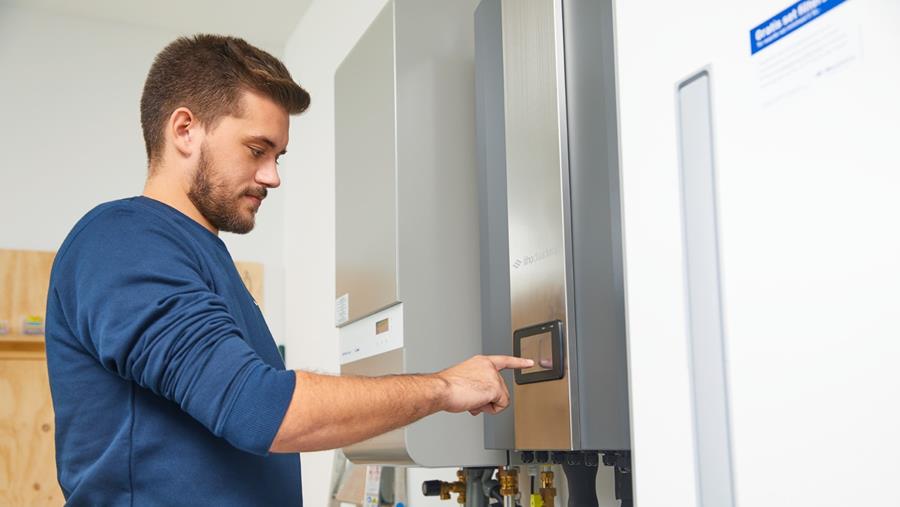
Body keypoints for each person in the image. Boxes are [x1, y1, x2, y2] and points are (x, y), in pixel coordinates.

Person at [45, 34, 530, 506]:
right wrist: (444, 387)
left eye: (278, 156)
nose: (272, 176)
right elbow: (259, 410)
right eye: (257, 150)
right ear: (185, 129)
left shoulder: (199, 255)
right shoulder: (123, 239)